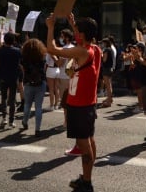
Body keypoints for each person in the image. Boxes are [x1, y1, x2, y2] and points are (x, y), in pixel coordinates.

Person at [46, 13, 101, 192]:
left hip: (80, 105)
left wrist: (50, 27)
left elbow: (51, 49)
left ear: (83, 35)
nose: (74, 32)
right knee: (89, 141)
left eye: (77, 31)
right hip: (87, 103)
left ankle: (87, 182)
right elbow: (82, 39)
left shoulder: (82, 51)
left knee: (84, 144)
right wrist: (72, 21)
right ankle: (86, 178)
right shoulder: (94, 49)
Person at [21, 38, 47, 138]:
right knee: (38, 107)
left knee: (27, 104)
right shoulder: (42, 57)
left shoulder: (24, 58)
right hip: (40, 83)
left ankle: (25, 121)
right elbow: (44, 69)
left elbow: (23, 70)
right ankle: (37, 129)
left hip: (28, 83)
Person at [0, 32, 22, 128]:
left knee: (3, 98)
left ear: (4, 40)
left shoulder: (0, 51)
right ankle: (11, 121)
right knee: (12, 99)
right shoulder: (17, 51)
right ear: (13, 41)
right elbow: (20, 62)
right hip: (14, 77)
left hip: (3, 76)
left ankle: (4, 118)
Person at [100, 37, 114, 107]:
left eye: (102, 43)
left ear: (105, 43)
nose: (102, 44)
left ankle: (109, 101)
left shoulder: (106, 50)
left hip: (106, 68)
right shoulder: (110, 49)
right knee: (109, 84)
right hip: (110, 68)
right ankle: (110, 99)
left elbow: (104, 60)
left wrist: (101, 55)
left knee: (108, 85)